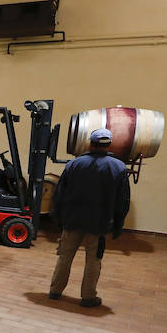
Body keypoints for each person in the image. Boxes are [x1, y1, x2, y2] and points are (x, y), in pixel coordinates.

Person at [49, 128, 130, 307]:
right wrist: (118, 224)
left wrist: (57, 218)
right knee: (93, 260)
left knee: (65, 256)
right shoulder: (119, 167)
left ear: (90, 143)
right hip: (99, 222)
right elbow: (122, 200)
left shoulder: (74, 164)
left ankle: (55, 290)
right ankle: (88, 296)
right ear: (109, 144)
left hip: (72, 219)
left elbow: (59, 194)